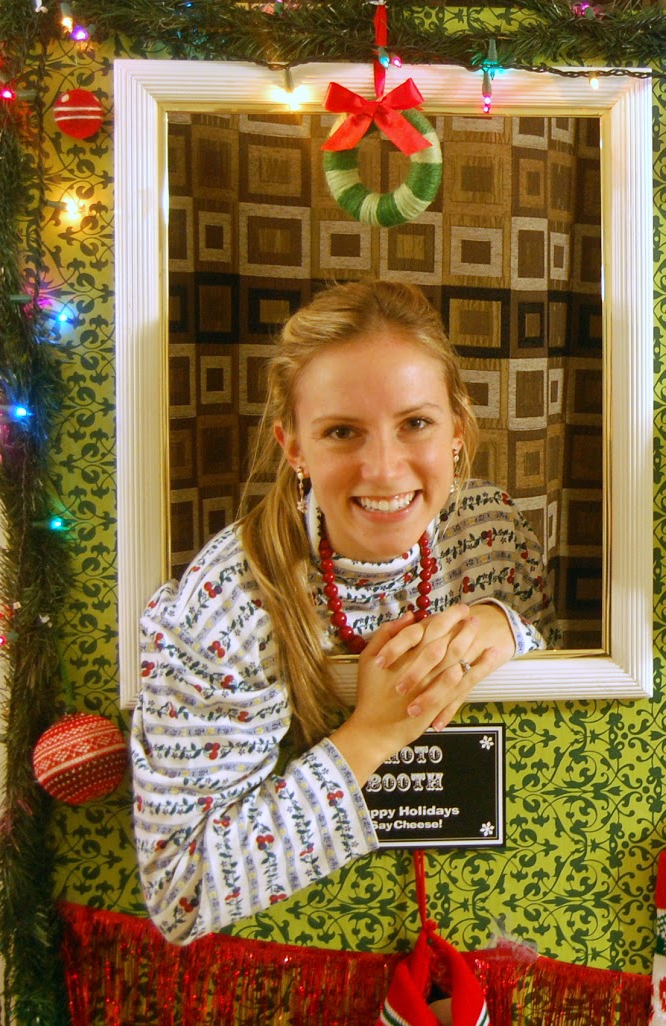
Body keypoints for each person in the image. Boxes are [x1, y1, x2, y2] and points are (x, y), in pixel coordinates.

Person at [131, 281, 554, 944]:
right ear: (293, 446)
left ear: (457, 430)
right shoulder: (226, 602)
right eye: (341, 432)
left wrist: (506, 624)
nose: (384, 470)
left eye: (415, 422)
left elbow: (564, 668)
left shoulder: (493, 528)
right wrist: (372, 736)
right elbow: (181, 890)